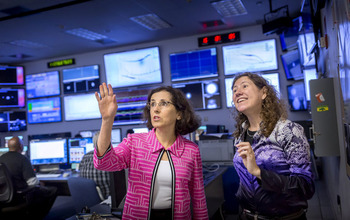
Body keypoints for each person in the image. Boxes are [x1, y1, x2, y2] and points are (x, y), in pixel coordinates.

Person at [93, 83, 208, 219]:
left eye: (163, 103)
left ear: (179, 113)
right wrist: (107, 120)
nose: (156, 109)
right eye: (152, 104)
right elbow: (104, 163)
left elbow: (198, 197)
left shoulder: (191, 150)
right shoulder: (134, 142)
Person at [231, 72, 315, 220]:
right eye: (234, 89)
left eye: (244, 86)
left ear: (263, 93)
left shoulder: (288, 131)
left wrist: (258, 172)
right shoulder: (240, 135)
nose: (238, 92)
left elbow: (305, 187)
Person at [0, 136, 57, 219]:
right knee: (52, 190)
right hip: (19, 197)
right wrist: (40, 183)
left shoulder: (1, 159)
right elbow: (33, 183)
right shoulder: (23, 159)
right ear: (21, 147)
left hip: (3, 200)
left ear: (8, 147)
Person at [79, 131, 110, 200]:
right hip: (108, 198)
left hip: (89, 199)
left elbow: (79, 171)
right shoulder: (110, 157)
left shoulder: (85, 156)